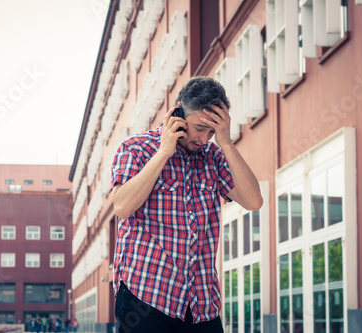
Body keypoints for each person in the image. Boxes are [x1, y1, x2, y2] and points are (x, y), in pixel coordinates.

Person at [111, 76, 263, 333]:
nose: (204, 139)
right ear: (177, 114)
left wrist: (225, 142)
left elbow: (253, 201)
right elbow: (123, 207)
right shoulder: (135, 149)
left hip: (202, 302)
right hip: (147, 297)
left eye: (212, 131)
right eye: (199, 128)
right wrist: (163, 153)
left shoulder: (214, 157)